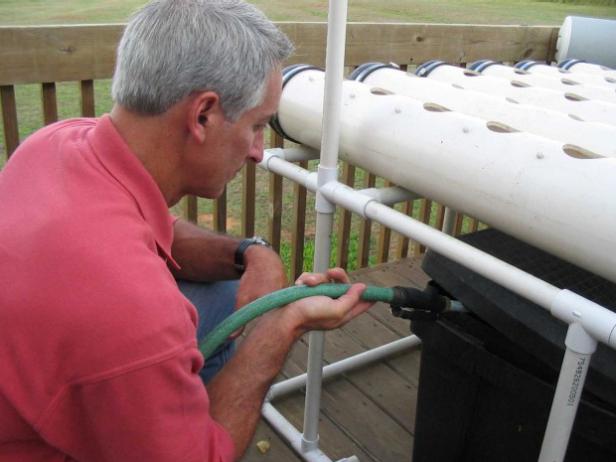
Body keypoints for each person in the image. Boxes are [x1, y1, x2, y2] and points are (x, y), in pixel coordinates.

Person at [0, 0, 374, 461]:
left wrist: (253, 253)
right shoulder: (133, 313)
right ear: (203, 115)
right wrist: (281, 326)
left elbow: (164, 231)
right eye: (257, 125)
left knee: (222, 295)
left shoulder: (57, 142)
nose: (258, 151)